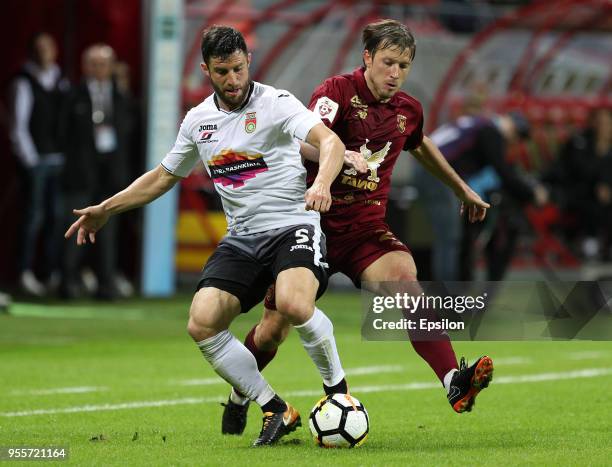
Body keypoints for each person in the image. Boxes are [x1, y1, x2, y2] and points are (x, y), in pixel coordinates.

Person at [65, 26, 349, 447]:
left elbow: (330, 141)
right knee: (201, 321)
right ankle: (275, 409)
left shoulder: (277, 103)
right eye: (222, 72)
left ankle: (338, 395)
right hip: (242, 239)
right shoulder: (199, 121)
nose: (233, 80)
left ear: (248, 61)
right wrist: (106, 208)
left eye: (238, 68)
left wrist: (322, 182)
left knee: (291, 304)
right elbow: (162, 177)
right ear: (206, 71)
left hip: (294, 225)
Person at [221, 19, 494, 435]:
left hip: (365, 231)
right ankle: (242, 395)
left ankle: (452, 382)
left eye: (403, 65)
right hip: (311, 226)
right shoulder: (336, 93)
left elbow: (421, 145)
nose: (395, 73)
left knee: (406, 282)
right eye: (387, 62)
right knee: (274, 328)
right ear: (367, 58)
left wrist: (462, 189)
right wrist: (331, 172)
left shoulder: (408, 110)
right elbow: (306, 141)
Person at [416, 111, 548, 281]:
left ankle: (447, 291)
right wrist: (530, 194)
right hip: (435, 174)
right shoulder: (490, 131)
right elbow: (502, 171)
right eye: (517, 135)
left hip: (426, 168)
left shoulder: (477, 123)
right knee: (449, 239)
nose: (514, 140)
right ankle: (445, 295)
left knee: (447, 237)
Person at [60, 44, 134, 299]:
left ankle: (106, 285)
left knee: (108, 233)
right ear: (85, 66)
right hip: (81, 174)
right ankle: (67, 283)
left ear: (111, 66)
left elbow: (129, 136)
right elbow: (63, 133)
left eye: (103, 63)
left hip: (111, 175)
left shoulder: (121, 97)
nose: (99, 69)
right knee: (74, 227)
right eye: (94, 63)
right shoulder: (73, 96)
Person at [9, 32, 69, 296]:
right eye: (39, 47)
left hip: (58, 159)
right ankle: (24, 272)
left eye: (48, 47)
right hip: (37, 161)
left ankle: (51, 273)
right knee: (33, 218)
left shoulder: (61, 81)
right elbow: (18, 126)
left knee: (57, 218)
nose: (45, 52)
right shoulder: (23, 82)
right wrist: (31, 161)